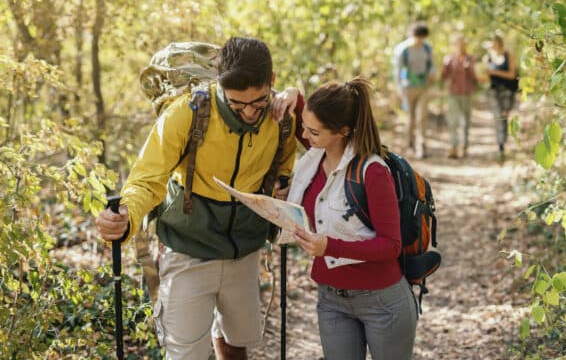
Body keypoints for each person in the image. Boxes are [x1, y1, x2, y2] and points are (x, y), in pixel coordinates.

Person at [96, 37, 301, 360]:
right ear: (219, 81)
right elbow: (147, 180)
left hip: (245, 249)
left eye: (258, 102)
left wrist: (283, 181)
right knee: (185, 353)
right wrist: (125, 217)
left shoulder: (280, 117)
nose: (249, 112)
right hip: (187, 247)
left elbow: (287, 158)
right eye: (237, 104)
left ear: (271, 82)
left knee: (236, 343)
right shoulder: (187, 114)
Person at [286, 77, 418, 360]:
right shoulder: (315, 157)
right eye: (304, 128)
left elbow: (390, 245)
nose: (305, 137)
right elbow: (302, 112)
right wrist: (291, 94)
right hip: (331, 299)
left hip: (382, 302)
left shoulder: (372, 172)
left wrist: (329, 247)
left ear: (343, 131)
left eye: (314, 132)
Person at [393, 21, 436, 159]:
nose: (420, 41)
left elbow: (432, 64)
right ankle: (409, 145)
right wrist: (399, 89)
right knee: (410, 118)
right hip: (408, 87)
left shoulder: (427, 48)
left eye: (423, 38)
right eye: (418, 38)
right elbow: (397, 71)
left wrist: (432, 73)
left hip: (423, 86)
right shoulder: (402, 50)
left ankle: (422, 146)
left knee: (422, 116)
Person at [441, 35, 478, 159]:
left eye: (463, 44)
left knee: (465, 121)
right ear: (455, 45)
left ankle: (465, 146)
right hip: (453, 93)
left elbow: (475, 78)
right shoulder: (449, 58)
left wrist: (469, 68)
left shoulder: (471, 58)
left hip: (467, 93)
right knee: (453, 121)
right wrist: (445, 68)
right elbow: (444, 76)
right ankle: (453, 147)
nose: (461, 46)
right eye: (458, 44)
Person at [484, 33, 518, 161]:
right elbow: (484, 77)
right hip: (494, 92)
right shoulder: (487, 58)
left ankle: (503, 142)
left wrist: (494, 72)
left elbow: (511, 75)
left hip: (508, 91)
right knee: (498, 117)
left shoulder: (508, 56)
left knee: (504, 116)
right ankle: (501, 146)